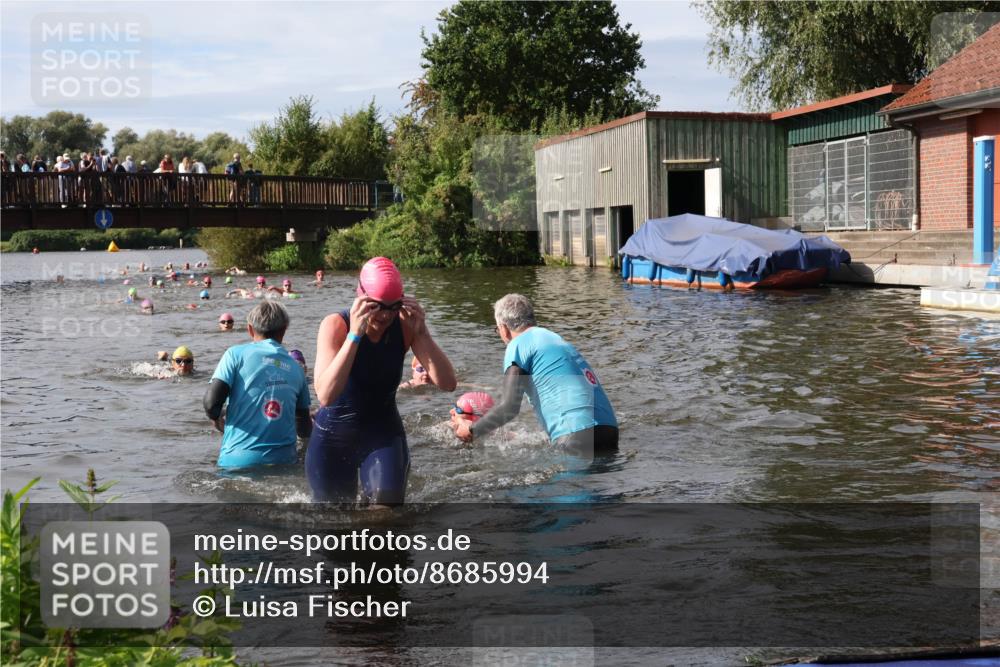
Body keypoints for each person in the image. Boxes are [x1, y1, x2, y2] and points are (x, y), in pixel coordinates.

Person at [306, 257, 457, 504]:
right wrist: (354, 336)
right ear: (361, 296)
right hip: (334, 436)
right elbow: (325, 394)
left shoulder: (406, 325)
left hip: (382, 432)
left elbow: (448, 383)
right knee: (331, 520)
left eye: (393, 306)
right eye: (376, 306)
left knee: (387, 510)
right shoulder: (336, 325)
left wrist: (422, 332)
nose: (386, 315)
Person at [452, 293, 618, 457]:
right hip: (609, 430)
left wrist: (472, 430)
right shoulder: (556, 339)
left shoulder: (517, 345)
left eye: (497, 330)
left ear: (503, 328)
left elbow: (510, 408)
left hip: (576, 434)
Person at [203, 301, 312, 470]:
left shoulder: (234, 355)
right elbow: (304, 427)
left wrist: (219, 419)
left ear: (250, 329)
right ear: (284, 330)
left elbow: (211, 405)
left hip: (237, 463)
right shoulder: (297, 369)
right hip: (284, 463)